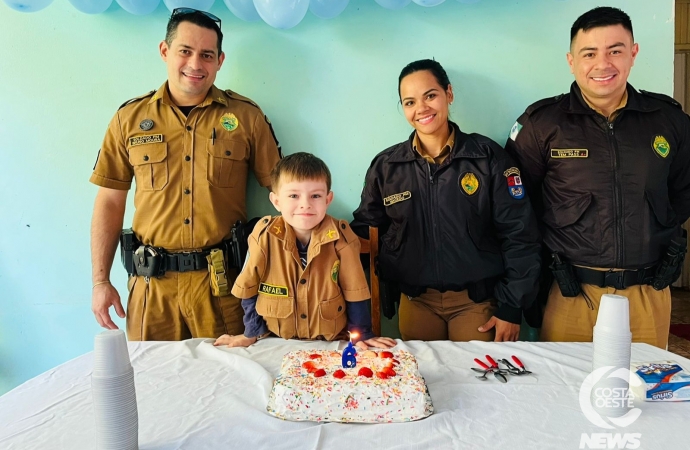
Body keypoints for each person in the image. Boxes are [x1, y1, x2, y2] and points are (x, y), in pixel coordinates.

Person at [90, 8, 282, 341]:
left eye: (207, 55)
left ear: (219, 61)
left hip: (223, 287)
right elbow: (109, 199)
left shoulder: (246, 117)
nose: (195, 64)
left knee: (229, 386)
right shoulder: (129, 119)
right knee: (152, 386)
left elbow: (284, 194)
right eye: (185, 51)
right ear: (165, 51)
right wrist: (100, 281)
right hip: (152, 290)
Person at [505, 6, 690, 349]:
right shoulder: (541, 124)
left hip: (648, 292)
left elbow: (682, 194)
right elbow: (516, 210)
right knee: (566, 395)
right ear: (571, 60)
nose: (603, 64)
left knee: (646, 396)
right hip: (572, 294)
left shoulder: (668, 120)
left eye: (615, 51)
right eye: (589, 53)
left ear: (633, 54)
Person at [351, 59, 541, 342]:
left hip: (476, 303)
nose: (421, 109)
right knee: (421, 379)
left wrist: (512, 307)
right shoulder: (387, 166)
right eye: (410, 102)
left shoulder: (487, 158)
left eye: (430, 96)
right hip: (416, 302)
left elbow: (519, 233)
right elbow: (366, 231)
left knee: (476, 381)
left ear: (448, 94)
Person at [214, 153, 396, 349]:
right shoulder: (263, 235)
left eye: (315, 196)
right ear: (276, 201)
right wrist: (251, 332)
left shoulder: (342, 237)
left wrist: (361, 333)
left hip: (329, 342)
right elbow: (248, 288)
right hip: (276, 342)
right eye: (293, 195)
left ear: (328, 199)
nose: (305, 204)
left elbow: (355, 290)